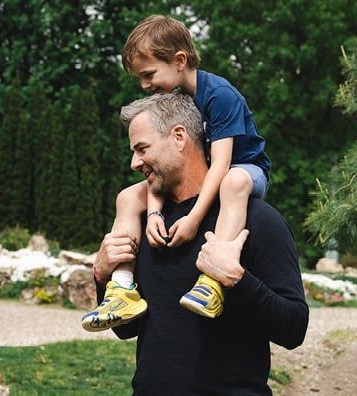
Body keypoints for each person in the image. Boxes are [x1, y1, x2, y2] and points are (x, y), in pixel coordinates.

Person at [91, 91, 307, 394]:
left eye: (142, 149)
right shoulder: (142, 223)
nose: (134, 162)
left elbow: (294, 328)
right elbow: (127, 329)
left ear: (179, 137)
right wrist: (102, 273)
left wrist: (236, 280)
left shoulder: (257, 219)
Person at [82, 15, 271, 330]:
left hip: (245, 169)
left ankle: (212, 281)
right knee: (128, 197)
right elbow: (164, 167)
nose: (145, 85)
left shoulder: (218, 94)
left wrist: (194, 218)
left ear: (179, 60)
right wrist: (155, 215)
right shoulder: (175, 101)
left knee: (233, 182)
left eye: (149, 74)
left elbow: (222, 164)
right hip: (211, 173)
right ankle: (122, 288)